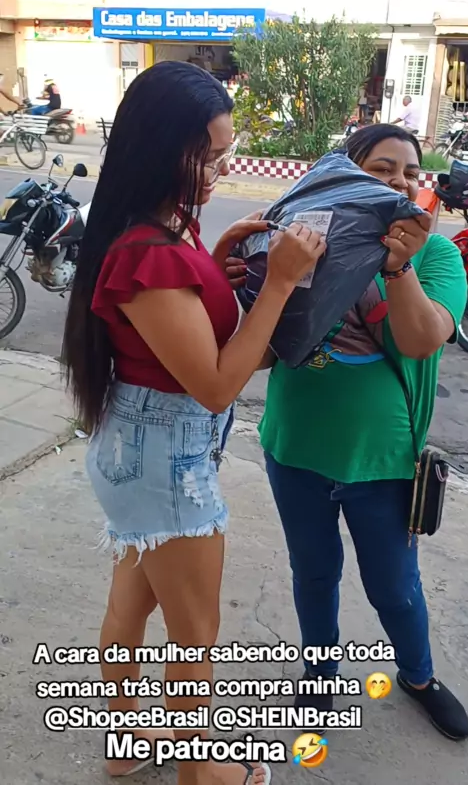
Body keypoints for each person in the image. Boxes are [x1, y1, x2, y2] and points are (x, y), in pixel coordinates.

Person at [62, 60, 325, 782]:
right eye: (205, 157)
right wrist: (279, 283)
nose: (217, 171)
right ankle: (199, 769)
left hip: (140, 449)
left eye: (224, 155)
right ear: (159, 149)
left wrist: (215, 263)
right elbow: (214, 385)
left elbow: (179, 325)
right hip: (166, 460)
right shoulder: (145, 250)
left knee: (133, 603)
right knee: (196, 633)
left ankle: (124, 742)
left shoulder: (157, 227)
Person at [255, 124, 468, 742]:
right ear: (347, 173)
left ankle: (418, 676)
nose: (400, 182)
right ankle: (319, 674)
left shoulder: (437, 254)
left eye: (410, 172)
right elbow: (264, 350)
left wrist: (398, 269)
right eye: (382, 169)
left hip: (384, 460)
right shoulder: (304, 241)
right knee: (313, 573)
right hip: (294, 447)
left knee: (394, 589)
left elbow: (423, 340)